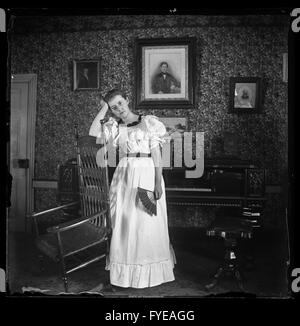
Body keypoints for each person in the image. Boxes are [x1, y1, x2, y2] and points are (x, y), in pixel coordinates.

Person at [89, 89, 176, 288]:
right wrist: (104, 107)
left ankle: (150, 273)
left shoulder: (149, 123)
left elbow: (156, 156)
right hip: (124, 175)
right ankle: (126, 274)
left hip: (146, 174)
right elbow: (93, 133)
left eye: (120, 103)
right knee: (125, 222)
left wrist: (156, 182)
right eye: (113, 107)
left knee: (146, 222)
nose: (118, 108)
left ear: (127, 100)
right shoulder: (113, 126)